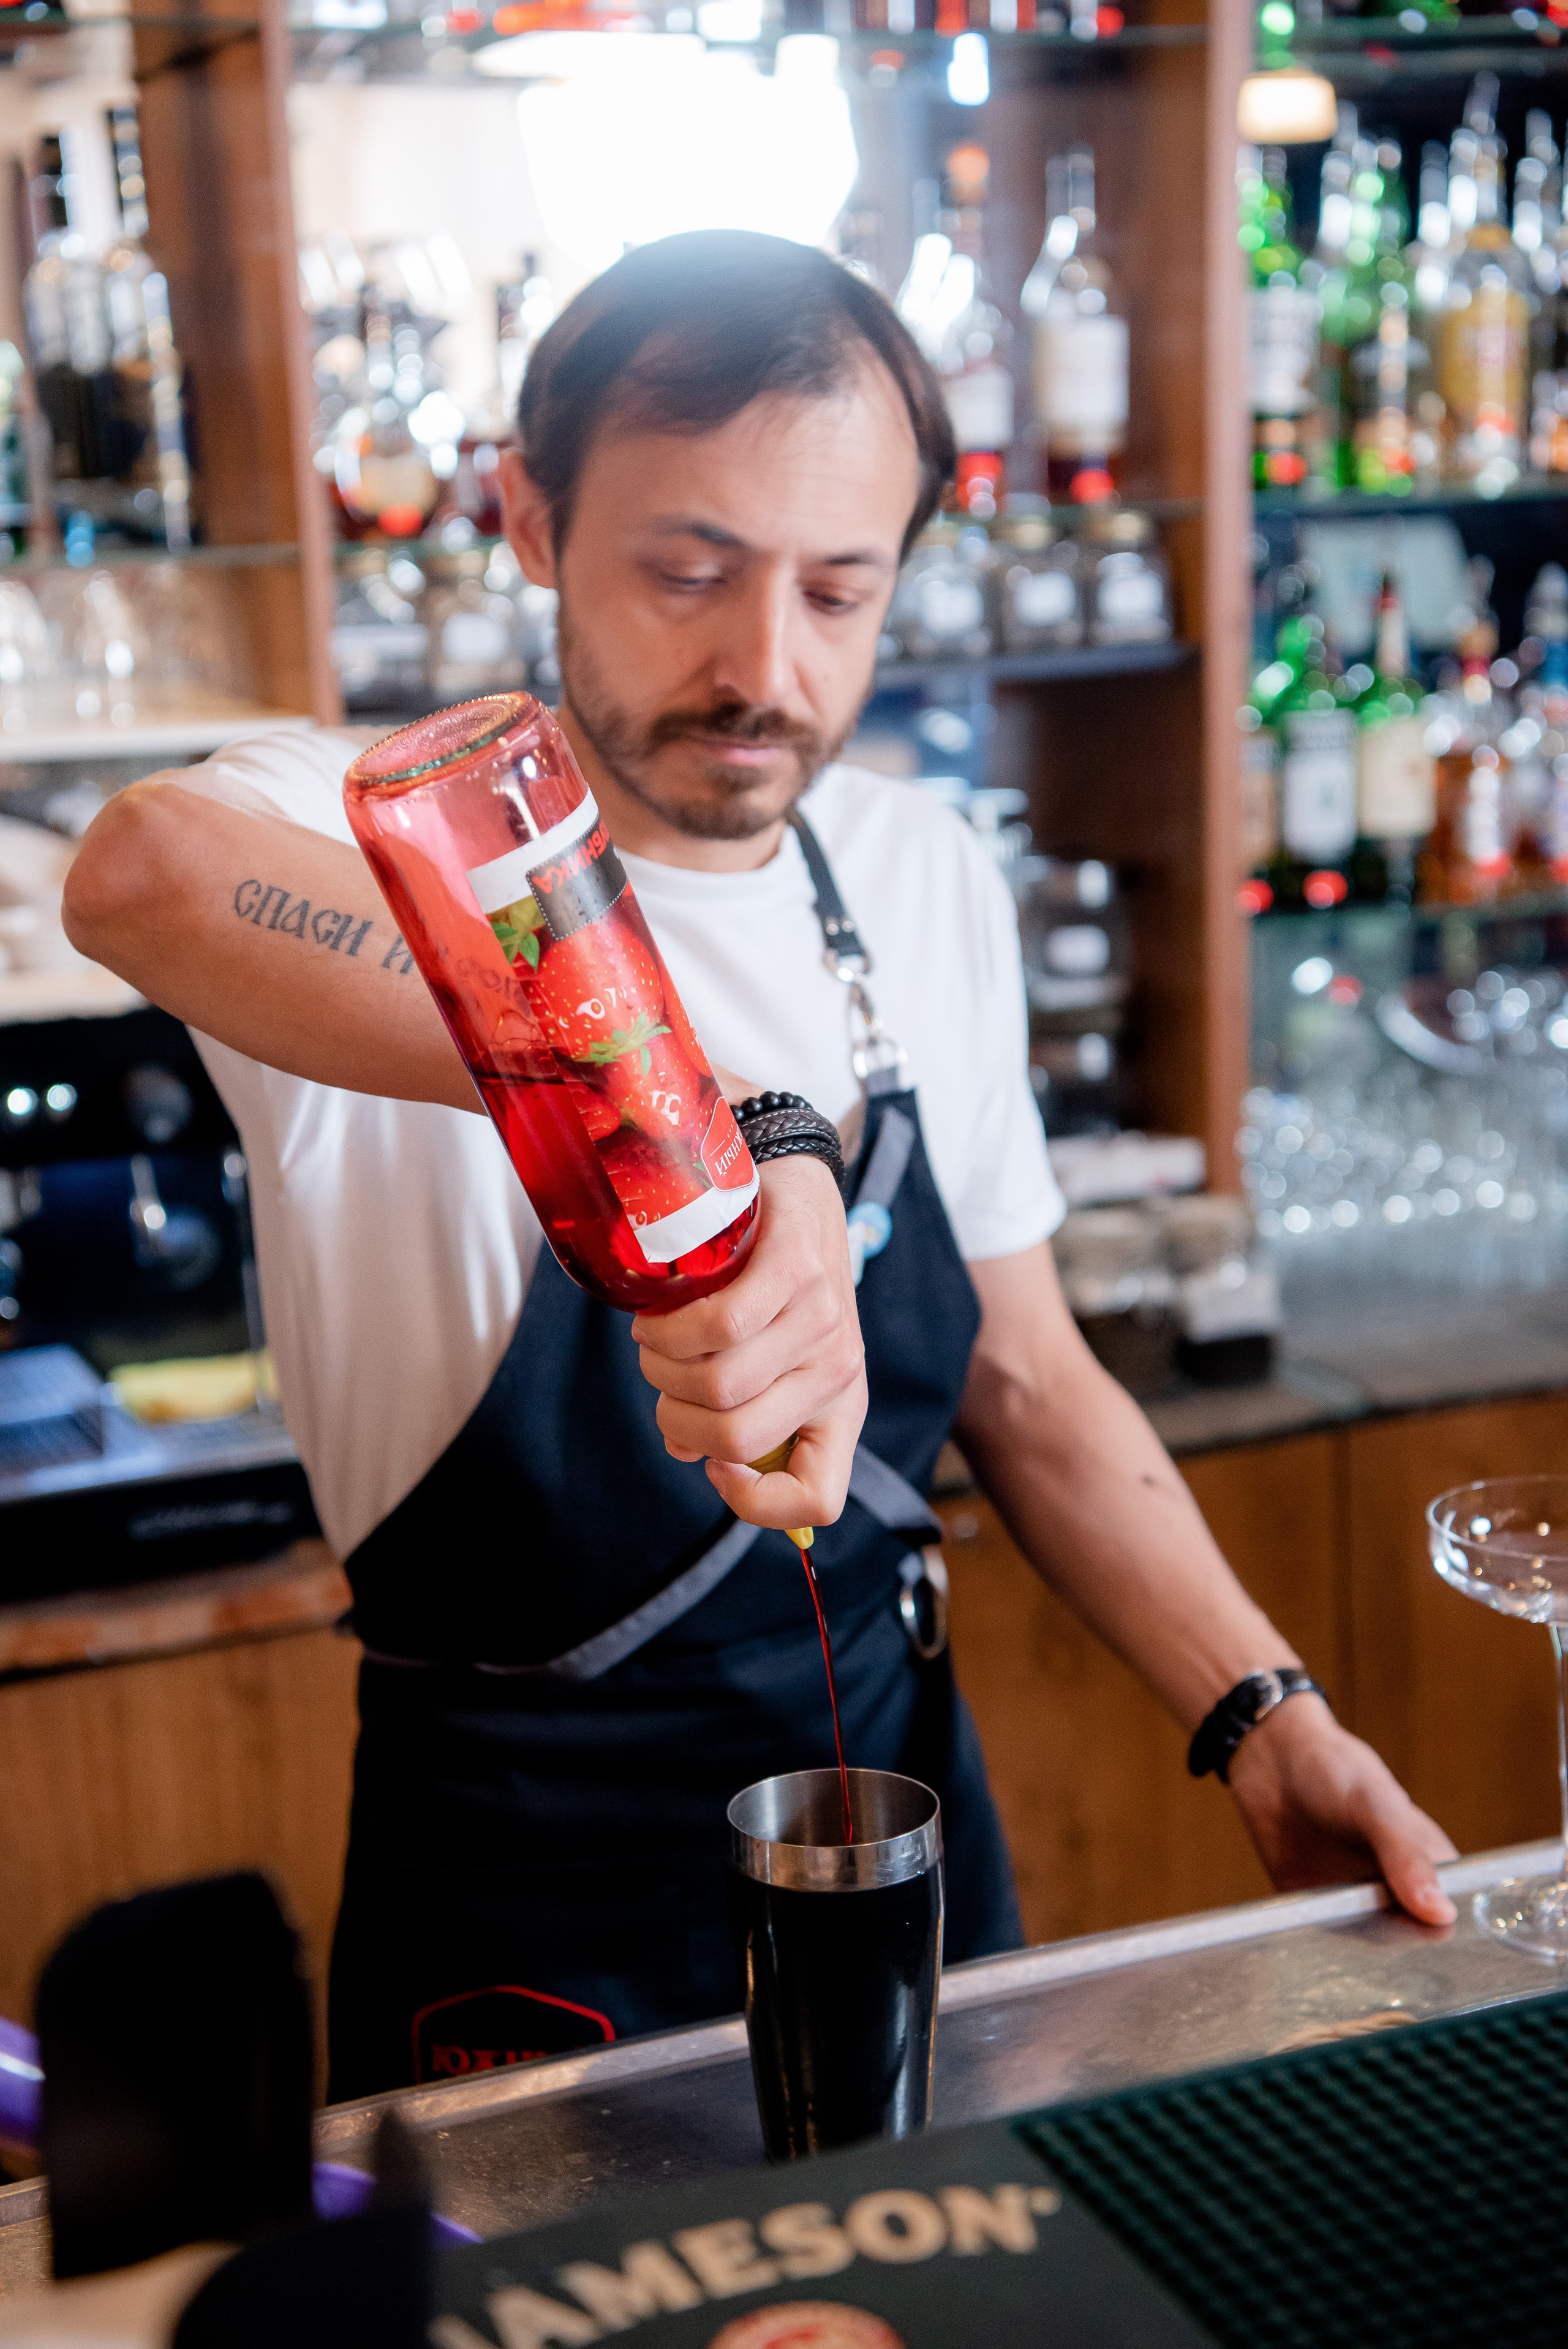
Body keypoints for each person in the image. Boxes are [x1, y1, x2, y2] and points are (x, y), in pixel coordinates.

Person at [64, 232, 1457, 2100]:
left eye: (839, 589)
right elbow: (142, 872)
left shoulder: (918, 867)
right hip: (525, 1928)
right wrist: (714, 1108)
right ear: (531, 515)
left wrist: (1266, 1712)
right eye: (689, 570)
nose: (764, 668)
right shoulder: (386, 828)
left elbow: (1034, 1383)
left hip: (906, 1852)